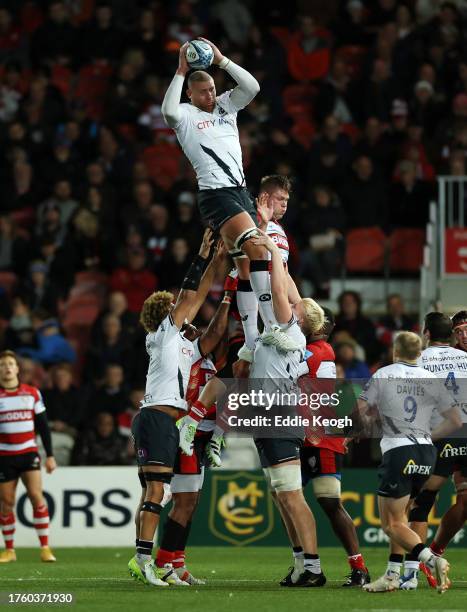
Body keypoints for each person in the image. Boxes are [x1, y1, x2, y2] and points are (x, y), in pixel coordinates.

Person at [179, 230, 327, 587]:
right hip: (269, 417)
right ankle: (299, 564)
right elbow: (237, 372)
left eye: (298, 306)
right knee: (280, 495)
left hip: (280, 416)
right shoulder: (273, 336)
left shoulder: (288, 330)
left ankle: (314, 568)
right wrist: (240, 273)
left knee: (291, 494)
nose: (293, 303)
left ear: (302, 319)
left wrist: (272, 250)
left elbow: (279, 288)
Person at [161, 37, 297, 361]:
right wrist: (181, 70)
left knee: (244, 265)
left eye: (211, 89)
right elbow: (166, 110)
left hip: (238, 190)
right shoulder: (184, 115)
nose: (209, 95)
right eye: (203, 91)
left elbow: (252, 87)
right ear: (190, 93)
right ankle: (273, 329)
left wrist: (222, 61)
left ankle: (251, 343)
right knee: (258, 247)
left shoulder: (225, 105)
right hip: (217, 194)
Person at [127, 229, 222, 587]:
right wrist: (203, 257)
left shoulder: (177, 343)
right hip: (156, 417)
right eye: (173, 307)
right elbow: (190, 294)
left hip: (163, 419)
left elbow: (196, 301)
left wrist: (214, 266)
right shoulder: (166, 332)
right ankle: (142, 560)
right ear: (164, 313)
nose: (181, 308)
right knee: (157, 492)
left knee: (153, 492)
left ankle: (144, 560)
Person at [351, 332, 461, 593]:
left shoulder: (384, 374)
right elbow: (455, 420)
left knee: (391, 524)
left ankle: (432, 560)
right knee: (402, 517)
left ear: (395, 351)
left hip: (399, 452)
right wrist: (425, 436)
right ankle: (392, 575)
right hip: (426, 452)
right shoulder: (432, 379)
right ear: (419, 353)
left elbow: (359, 412)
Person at [154, 281, 232, 585]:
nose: (193, 328)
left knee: (190, 502)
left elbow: (218, 337)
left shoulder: (207, 360)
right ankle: (162, 563)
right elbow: (214, 332)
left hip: (200, 436)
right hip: (186, 432)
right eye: (187, 325)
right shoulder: (183, 352)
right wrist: (227, 295)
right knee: (184, 502)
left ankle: (176, 563)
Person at [292, 308, 370, 588]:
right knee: (288, 499)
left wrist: (342, 436)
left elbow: (360, 415)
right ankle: (304, 565)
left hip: (321, 440)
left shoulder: (317, 351)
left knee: (329, 502)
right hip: (301, 438)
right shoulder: (314, 352)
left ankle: (359, 567)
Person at [405, 313, 467, 589]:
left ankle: (411, 569)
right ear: (451, 335)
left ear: (426, 333)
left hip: (438, 435)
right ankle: (417, 564)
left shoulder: (419, 358)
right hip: (460, 432)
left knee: (421, 500)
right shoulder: (464, 359)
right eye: (459, 330)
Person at [0, 350, 56, 563]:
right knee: (6, 502)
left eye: (10, 364)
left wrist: (50, 455)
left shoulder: (32, 393)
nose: (6, 367)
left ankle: (45, 548)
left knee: (36, 496)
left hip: (28, 453)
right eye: (3, 364)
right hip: (4, 455)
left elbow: (43, 426)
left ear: (16, 368)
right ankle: (9, 550)